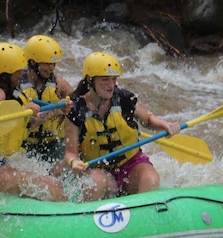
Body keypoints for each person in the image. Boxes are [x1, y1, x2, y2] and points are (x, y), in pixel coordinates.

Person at [64, 51, 181, 200]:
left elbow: (148, 120)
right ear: (90, 79)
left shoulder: (125, 99)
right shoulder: (75, 111)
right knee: (95, 183)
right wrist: (74, 162)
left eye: (114, 79)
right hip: (98, 170)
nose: (111, 85)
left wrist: (165, 125)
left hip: (131, 165)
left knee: (151, 179)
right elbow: (70, 152)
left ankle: (144, 218)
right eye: (105, 80)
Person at [0, 42, 66, 201]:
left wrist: (57, 111)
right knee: (53, 187)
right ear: (5, 73)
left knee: (51, 179)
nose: (21, 74)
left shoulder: (10, 92)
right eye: (18, 71)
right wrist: (21, 111)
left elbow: (29, 123)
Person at [21, 34, 74, 170]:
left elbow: (79, 103)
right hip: (25, 145)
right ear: (33, 62)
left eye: (54, 63)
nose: (51, 68)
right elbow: (29, 123)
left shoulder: (58, 83)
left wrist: (71, 106)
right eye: (47, 63)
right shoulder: (17, 87)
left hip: (54, 143)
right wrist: (57, 110)